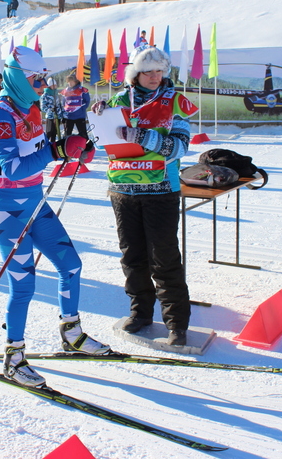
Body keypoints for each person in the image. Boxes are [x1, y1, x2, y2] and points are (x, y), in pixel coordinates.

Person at [0, 46, 109, 388]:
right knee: (24, 284)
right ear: (18, 79)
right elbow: (12, 167)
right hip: (8, 209)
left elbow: (40, 151)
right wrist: (57, 151)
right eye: (37, 80)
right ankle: (14, 356)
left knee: (71, 264)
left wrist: (75, 147)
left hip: (36, 202)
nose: (42, 85)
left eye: (45, 79)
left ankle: (71, 333)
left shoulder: (31, 110)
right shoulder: (0, 116)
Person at [92, 46, 198, 346]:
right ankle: (140, 313)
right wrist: (100, 115)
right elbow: (103, 138)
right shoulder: (118, 100)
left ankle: (176, 323)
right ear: (135, 73)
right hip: (123, 190)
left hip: (161, 190)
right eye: (148, 71)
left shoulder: (175, 101)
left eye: (159, 71)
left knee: (163, 259)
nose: (154, 77)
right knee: (132, 257)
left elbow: (180, 147)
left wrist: (142, 137)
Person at [61, 73, 90, 139]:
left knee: (83, 134)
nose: (70, 83)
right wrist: (64, 112)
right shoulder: (65, 91)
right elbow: (63, 102)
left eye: (71, 81)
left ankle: (86, 147)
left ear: (76, 81)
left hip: (79, 116)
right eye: (68, 82)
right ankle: (66, 147)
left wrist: (82, 108)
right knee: (67, 134)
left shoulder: (82, 90)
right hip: (68, 116)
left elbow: (87, 101)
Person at [40, 77, 64, 143]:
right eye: (53, 85)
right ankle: (46, 144)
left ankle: (53, 144)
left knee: (55, 132)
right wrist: (51, 109)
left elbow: (61, 105)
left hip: (58, 116)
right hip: (50, 117)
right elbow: (43, 107)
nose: (54, 87)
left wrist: (62, 113)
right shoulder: (45, 95)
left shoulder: (58, 94)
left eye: (55, 85)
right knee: (49, 132)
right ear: (49, 86)